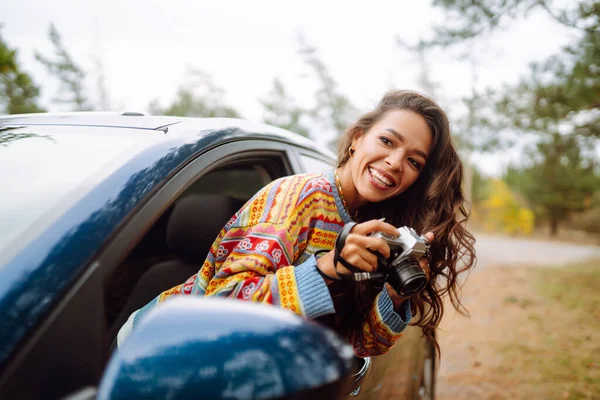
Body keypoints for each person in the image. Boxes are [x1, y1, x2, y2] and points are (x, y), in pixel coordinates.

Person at [117, 90, 476, 357]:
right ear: (356, 140)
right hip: (159, 350)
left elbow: (358, 344)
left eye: (414, 161)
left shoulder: (372, 226)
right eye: (387, 141)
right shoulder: (300, 196)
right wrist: (327, 269)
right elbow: (221, 304)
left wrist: (396, 295)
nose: (396, 162)